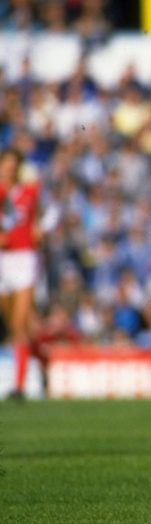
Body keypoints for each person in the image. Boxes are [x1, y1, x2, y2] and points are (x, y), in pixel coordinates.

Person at [0, 149, 42, 401]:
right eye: (6, 164)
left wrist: (37, 231)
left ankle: (19, 384)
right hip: (3, 258)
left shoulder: (29, 192)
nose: (10, 169)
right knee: (8, 322)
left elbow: (38, 219)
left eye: (14, 165)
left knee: (19, 322)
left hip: (24, 257)